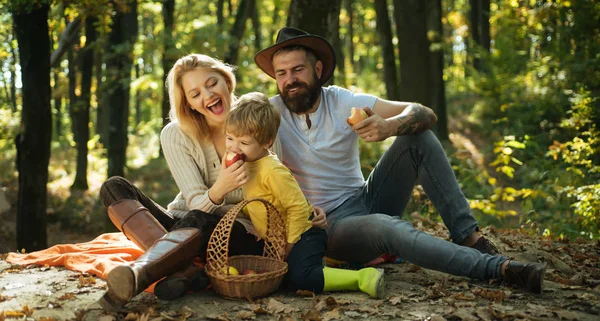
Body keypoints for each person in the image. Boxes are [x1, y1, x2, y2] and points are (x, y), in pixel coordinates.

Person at [253, 27, 546, 293]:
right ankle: (499, 268)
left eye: (297, 70)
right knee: (388, 228)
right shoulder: (271, 114)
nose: (290, 80)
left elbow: (423, 113)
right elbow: (237, 135)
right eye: (281, 73)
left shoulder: (342, 100)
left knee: (418, 137)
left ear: (317, 69)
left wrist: (389, 127)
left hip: (366, 197)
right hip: (328, 225)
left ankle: (471, 239)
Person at [97, 54, 328, 311]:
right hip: (183, 224)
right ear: (189, 104)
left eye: (211, 84)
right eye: (195, 94)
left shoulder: (257, 121)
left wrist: (306, 211)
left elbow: (275, 189)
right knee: (114, 187)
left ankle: (140, 274)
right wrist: (222, 186)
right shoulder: (175, 134)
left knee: (200, 220)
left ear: (227, 82)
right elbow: (194, 201)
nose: (207, 96)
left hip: (237, 232)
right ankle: (186, 268)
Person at [225, 92, 385, 298]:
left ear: (266, 142)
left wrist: (288, 247)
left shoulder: (272, 170)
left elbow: (298, 208)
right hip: (280, 238)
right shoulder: (246, 163)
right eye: (229, 138)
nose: (233, 147)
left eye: (244, 143)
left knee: (300, 279)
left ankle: (362, 277)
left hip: (303, 233)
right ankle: (325, 263)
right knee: (273, 275)